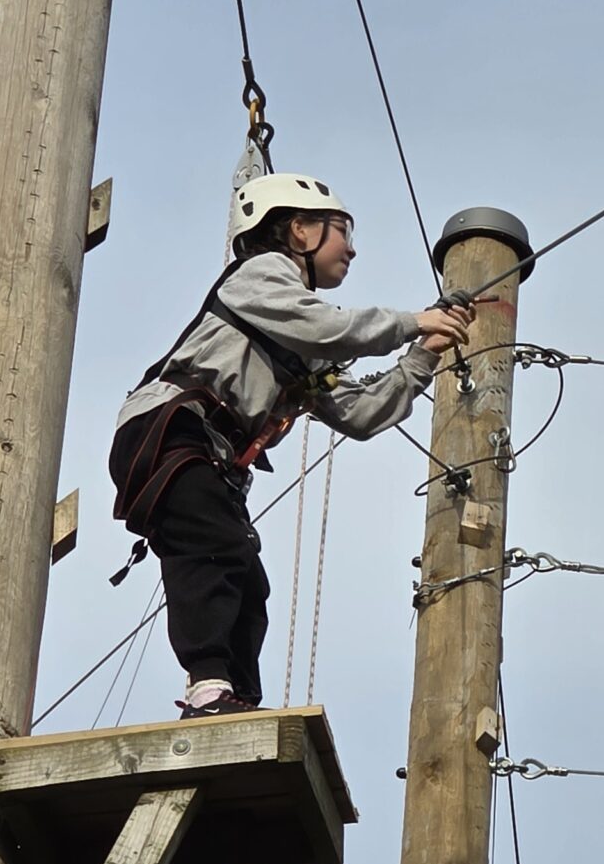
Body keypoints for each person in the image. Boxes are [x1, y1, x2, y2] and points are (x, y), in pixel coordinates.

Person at [109, 171, 471, 719]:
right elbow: (331, 328)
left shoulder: (305, 336)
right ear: (300, 230)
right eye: (341, 230)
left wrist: (423, 354)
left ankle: (234, 700)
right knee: (215, 548)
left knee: (247, 578)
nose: (351, 248)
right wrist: (414, 322)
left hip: (208, 449)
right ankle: (208, 692)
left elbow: (360, 413)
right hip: (170, 428)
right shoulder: (261, 275)